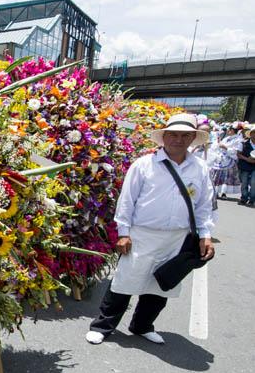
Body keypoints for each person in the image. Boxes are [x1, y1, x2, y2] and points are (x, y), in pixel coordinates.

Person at [86, 113, 215, 345]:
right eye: (173, 134)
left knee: (160, 286)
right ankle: (103, 326)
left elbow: (204, 206)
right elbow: (127, 200)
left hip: (177, 238)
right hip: (142, 234)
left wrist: (205, 236)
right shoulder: (144, 164)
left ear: (193, 137)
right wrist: (123, 233)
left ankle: (142, 325)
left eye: (185, 135)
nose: (178, 139)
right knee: (125, 281)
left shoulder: (200, 168)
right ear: (164, 136)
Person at [211, 126, 241, 199]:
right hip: (221, 159)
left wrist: (226, 148)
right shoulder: (226, 138)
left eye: (229, 130)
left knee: (227, 178)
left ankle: (224, 193)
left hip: (229, 160)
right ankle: (216, 192)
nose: (227, 131)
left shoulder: (238, 140)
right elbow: (218, 147)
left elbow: (238, 151)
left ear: (233, 130)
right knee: (217, 176)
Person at [237, 128, 255, 205]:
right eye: (253, 133)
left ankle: (252, 199)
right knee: (244, 182)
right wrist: (247, 159)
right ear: (250, 134)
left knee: (253, 182)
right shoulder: (243, 143)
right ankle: (244, 198)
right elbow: (238, 154)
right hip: (245, 165)